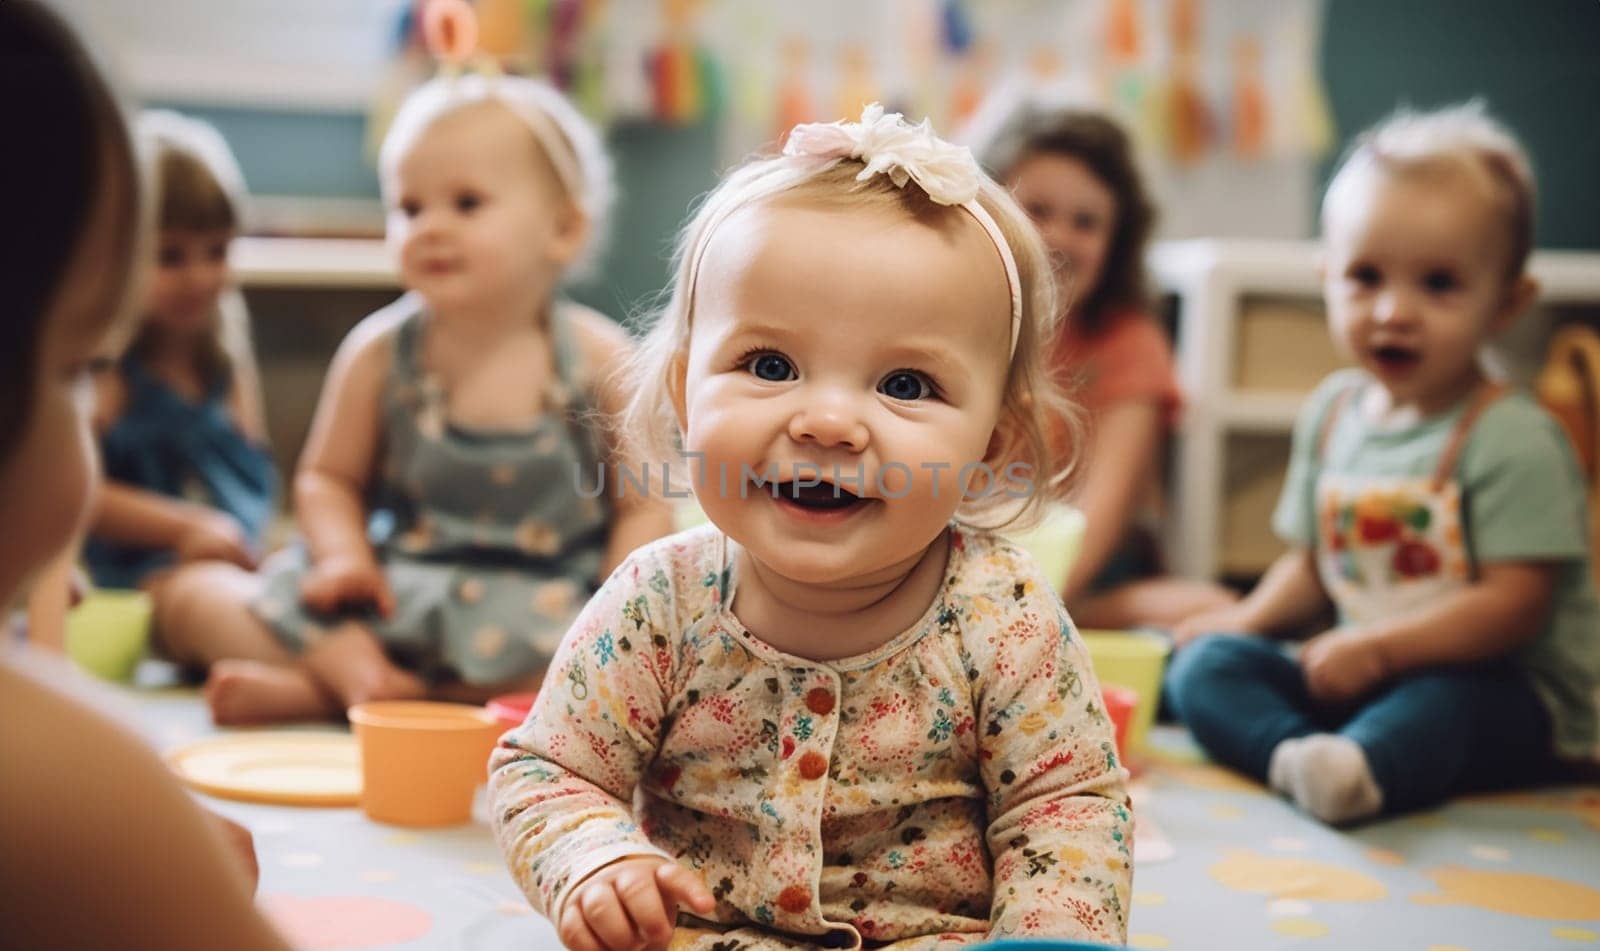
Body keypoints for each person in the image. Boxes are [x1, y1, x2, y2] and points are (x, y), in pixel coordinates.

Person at [490, 105, 1132, 950]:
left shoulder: (1004, 613)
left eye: (905, 383)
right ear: (686, 397)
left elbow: (1065, 806)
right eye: (769, 366)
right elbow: (549, 768)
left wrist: (1049, 935)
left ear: (993, 446)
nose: (829, 421)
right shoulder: (658, 600)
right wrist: (596, 859)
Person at [152, 73, 673, 724]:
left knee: (644, 663)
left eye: (465, 203)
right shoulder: (378, 353)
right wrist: (345, 556)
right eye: (409, 207)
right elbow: (326, 478)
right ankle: (363, 677)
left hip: (535, 613)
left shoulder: (600, 359)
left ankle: (343, 694)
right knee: (188, 597)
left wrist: (611, 610)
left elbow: (643, 501)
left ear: (562, 229)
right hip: (393, 595)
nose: (429, 227)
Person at [1167, 103, 1600, 824]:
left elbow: (1516, 603)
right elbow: (1312, 566)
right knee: (1205, 666)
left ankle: (1363, 760)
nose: (1393, 311)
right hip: (1367, 672)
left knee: (1445, 701)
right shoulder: (1335, 412)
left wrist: (1381, 648)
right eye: (1366, 276)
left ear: (1507, 303)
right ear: (1327, 277)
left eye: (1438, 284)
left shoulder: (1513, 436)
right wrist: (1240, 621)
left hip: (1509, 691)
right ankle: (1302, 756)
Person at [0, 2, 288, 947]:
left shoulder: (221, 358)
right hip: (168, 581)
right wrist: (136, 836)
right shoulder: (57, 783)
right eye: (76, 367)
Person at [976, 107, 1237, 630]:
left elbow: (1099, 521)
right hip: (958, 563)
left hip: (1081, 575)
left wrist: (1011, 612)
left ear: (1116, 243)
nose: (1059, 238)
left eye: (1086, 222)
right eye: (1037, 210)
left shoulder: (1130, 342)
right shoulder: (951, 324)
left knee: (1214, 612)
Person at [84, 109, 276, 592]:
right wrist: (183, 526)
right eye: (170, 256)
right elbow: (76, 495)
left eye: (218, 251)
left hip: (232, 570)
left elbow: (253, 480)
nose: (200, 277)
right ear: (119, 253)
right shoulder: (108, 371)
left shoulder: (225, 363)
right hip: (141, 579)